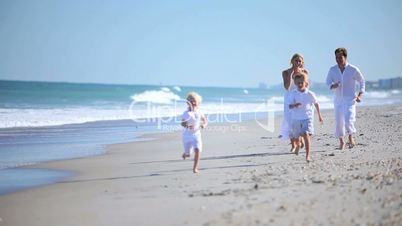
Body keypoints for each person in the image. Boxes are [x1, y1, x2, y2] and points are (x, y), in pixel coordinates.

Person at [326, 48, 365, 150]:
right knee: (339, 122)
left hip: (350, 99)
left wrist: (360, 95)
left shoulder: (353, 69)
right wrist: (333, 86)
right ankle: (342, 141)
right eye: (337, 57)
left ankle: (351, 137)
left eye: (340, 57)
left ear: (345, 57)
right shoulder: (332, 70)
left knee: (349, 120)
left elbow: (362, 81)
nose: (338, 59)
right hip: (338, 100)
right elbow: (327, 83)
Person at [288, 72, 324, 162]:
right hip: (296, 118)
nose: (300, 84)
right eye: (298, 83)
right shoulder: (293, 93)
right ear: (295, 83)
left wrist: (320, 115)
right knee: (296, 137)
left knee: (306, 134)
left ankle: (307, 155)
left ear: (306, 83)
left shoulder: (310, 94)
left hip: (307, 118)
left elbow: (316, 104)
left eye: (302, 82)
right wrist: (295, 105)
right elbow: (289, 106)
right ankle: (299, 145)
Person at [281, 53, 309, 152]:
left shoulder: (305, 72)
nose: (297, 62)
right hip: (289, 98)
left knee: (299, 121)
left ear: (302, 62)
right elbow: (287, 87)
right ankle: (293, 145)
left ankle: (299, 140)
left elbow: (306, 87)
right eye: (296, 60)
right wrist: (292, 75)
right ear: (292, 61)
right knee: (290, 122)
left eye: (299, 61)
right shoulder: (285, 72)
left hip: (300, 97)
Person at [181, 92, 208, 173]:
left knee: (197, 149)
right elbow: (182, 123)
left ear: (198, 103)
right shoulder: (186, 113)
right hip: (186, 136)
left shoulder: (199, 112)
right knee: (188, 154)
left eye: (194, 100)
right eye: (191, 100)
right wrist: (185, 124)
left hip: (196, 135)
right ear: (188, 103)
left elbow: (205, 120)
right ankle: (185, 154)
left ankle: (195, 168)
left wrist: (204, 125)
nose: (193, 102)